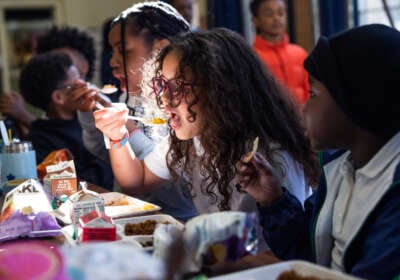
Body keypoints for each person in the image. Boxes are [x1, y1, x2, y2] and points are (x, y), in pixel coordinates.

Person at [236, 24, 400, 280]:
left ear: (355, 103)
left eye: (313, 94)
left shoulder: (393, 189)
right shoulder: (340, 167)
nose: (304, 107)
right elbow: (310, 253)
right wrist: (274, 200)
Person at [93, 28, 319, 218]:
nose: (164, 98)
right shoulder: (193, 138)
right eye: (163, 84)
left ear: (222, 90)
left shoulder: (271, 158)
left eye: (179, 86)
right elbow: (138, 182)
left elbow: (285, 250)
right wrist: (117, 135)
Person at [74, 1, 198, 220]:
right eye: (111, 52)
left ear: (160, 50)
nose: (112, 62)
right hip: (133, 217)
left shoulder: (186, 108)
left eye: (123, 51)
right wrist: (93, 114)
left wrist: (130, 132)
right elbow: (106, 155)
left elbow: (179, 192)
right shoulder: (132, 98)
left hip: (179, 222)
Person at [19, 52, 113, 190]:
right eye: (77, 84)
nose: (86, 85)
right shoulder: (41, 142)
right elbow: (73, 187)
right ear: (59, 97)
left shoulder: (86, 120)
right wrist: (109, 154)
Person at [0, 26, 96, 138]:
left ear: (84, 69)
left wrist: (23, 116)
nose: (61, 64)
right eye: (57, 61)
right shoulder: (50, 119)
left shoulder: (93, 111)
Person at [250, 0, 309, 104]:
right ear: (255, 20)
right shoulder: (252, 57)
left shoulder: (300, 53)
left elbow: (310, 90)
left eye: (281, 13)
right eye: (269, 14)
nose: (276, 18)